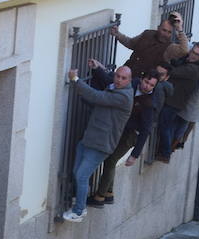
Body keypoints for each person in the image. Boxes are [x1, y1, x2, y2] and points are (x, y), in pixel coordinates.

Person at [61, 59, 133, 222]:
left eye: (123, 78)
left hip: (101, 145)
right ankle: (79, 202)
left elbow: (96, 96)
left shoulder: (124, 97)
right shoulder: (115, 86)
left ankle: (79, 211)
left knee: (81, 176)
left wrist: (75, 80)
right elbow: (108, 79)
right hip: (89, 139)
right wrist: (99, 67)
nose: (119, 80)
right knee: (77, 172)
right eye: (118, 76)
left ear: (129, 80)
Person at [87, 68, 159, 208]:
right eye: (146, 82)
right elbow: (112, 81)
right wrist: (97, 69)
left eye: (151, 85)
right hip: (119, 130)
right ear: (142, 79)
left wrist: (134, 155)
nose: (147, 86)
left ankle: (100, 197)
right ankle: (108, 193)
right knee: (109, 159)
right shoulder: (132, 84)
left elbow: (145, 131)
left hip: (130, 136)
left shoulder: (149, 104)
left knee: (110, 160)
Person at [156, 42, 199, 161]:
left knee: (165, 127)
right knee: (167, 127)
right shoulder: (190, 63)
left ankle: (165, 153)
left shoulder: (193, 69)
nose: (193, 55)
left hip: (174, 102)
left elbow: (173, 72)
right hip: (173, 100)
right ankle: (165, 152)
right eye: (192, 52)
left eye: (196, 54)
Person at [109, 14, 190, 82]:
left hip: (144, 83)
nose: (165, 34)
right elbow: (131, 43)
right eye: (164, 30)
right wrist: (117, 34)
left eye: (169, 32)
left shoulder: (170, 48)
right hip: (127, 73)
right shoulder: (147, 34)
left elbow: (184, 50)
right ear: (158, 28)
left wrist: (180, 30)